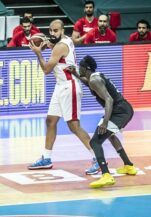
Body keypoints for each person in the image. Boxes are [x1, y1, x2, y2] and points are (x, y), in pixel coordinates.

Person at [28, 19, 99, 173]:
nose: (52, 33)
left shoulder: (60, 46)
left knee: (74, 126)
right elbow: (53, 45)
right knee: (51, 121)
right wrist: (46, 42)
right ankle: (46, 158)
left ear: (62, 31)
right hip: (60, 86)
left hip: (69, 86)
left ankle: (98, 158)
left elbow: (46, 69)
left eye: (55, 31)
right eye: (50, 30)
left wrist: (38, 53)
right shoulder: (66, 40)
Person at [69, 55, 137, 188]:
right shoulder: (94, 76)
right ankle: (128, 166)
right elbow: (88, 82)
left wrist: (105, 122)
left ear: (86, 68)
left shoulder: (95, 80)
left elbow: (109, 100)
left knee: (95, 141)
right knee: (110, 136)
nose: (79, 68)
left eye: (80, 67)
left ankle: (106, 175)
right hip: (122, 109)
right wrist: (76, 74)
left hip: (120, 112)